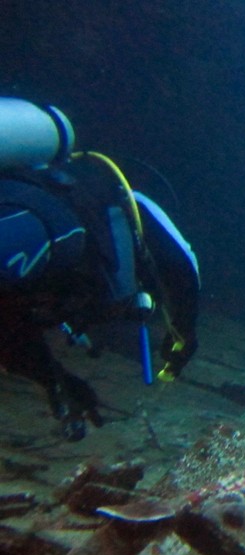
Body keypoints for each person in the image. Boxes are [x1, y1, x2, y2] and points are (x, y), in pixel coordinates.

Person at [0, 97, 200, 441]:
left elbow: (8, 320)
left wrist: (54, 379)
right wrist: (184, 335)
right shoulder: (128, 203)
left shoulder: (34, 194)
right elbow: (183, 266)